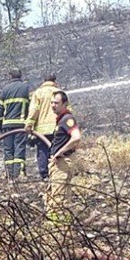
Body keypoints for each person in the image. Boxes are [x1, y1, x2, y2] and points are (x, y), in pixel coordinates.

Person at [46, 90, 82, 220]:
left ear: (65, 104)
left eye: (56, 103)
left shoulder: (67, 119)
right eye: (51, 103)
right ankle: (61, 222)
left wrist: (60, 152)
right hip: (59, 163)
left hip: (63, 163)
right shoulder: (61, 120)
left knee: (58, 196)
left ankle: (57, 224)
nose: (53, 105)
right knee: (57, 194)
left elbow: (76, 137)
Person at [24, 74, 59, 180]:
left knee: (43, 150)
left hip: (42, 129)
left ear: (43, 81)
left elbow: (34, 109)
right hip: (57, 127)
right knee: (57, 149)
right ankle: (56, 172)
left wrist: (29, 124)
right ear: (55, 81)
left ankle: (44, 174)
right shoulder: (59, 93)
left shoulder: (38, 93)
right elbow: (67, 110)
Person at [0, 68, 30, 178]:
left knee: (8, 149)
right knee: (19, 148)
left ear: (10, 76)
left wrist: (0, 125)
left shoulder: (5, 89)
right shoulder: (26, 87)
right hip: (21, 124)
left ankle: (9, 174)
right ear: (20, 76)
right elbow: (31, 106)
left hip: (7, 125)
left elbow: (0, 110)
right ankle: (19, 173)